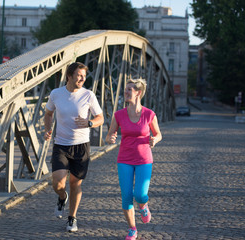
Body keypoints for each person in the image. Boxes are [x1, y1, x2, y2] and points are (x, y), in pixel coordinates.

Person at [43, 62, 104, 232]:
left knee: (75, 184)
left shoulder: (88, 95)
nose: (82, 78)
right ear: (69, 76)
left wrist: (89, 122)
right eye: (79, 75)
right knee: (58, 183)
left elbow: (100, 118)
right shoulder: (56, 94)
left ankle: (72, 218)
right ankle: (62, 197)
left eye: (84, 76)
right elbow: (48, 114)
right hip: (61, 145)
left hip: (81, 146)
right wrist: (48, 129)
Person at [105, 78, 162, 240]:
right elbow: (109, 134)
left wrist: (154, 140)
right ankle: (132, 229)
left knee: (140, 195)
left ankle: (144, 205)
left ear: (138, 93)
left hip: (144, 159)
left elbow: (158, 134)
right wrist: (110, 138)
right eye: (125, 89)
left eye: (129, 89)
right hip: (124, 159)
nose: (126, 92)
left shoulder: (149, 114)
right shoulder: (119, 115)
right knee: (127, 196)